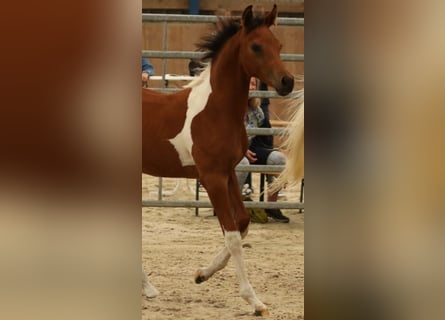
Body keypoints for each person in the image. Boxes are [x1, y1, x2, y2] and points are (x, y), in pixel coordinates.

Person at [236, 77, 290, 223]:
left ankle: (271, 206)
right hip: (231, 149)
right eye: (248, 84)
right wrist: (241, 149)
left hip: (251, 147)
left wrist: (269, 151)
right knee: (243, 164)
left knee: (279, 160)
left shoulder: (257, 111)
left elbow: (264, 137)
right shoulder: (229, 107)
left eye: (254, 84)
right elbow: (222, 134)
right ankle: (235, 207)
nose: (252, 88)